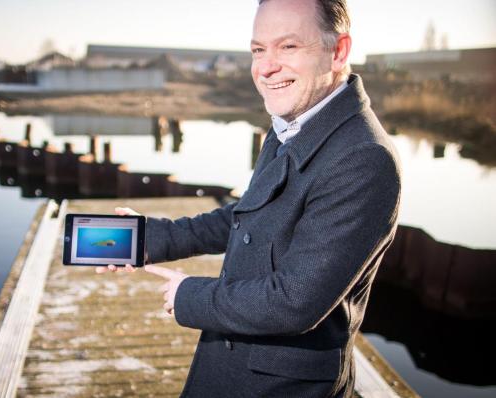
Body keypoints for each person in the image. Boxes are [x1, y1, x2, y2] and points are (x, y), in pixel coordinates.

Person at [98, 0, 401, 396]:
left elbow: (296, 300)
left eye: (288, 46)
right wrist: (149, 240)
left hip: (282, 386)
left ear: (338, 51)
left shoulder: (364, 159)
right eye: (258, 50)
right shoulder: (293, 121)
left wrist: (189, 295)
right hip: (229, 362)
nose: (266, 66)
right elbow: (247, 217)